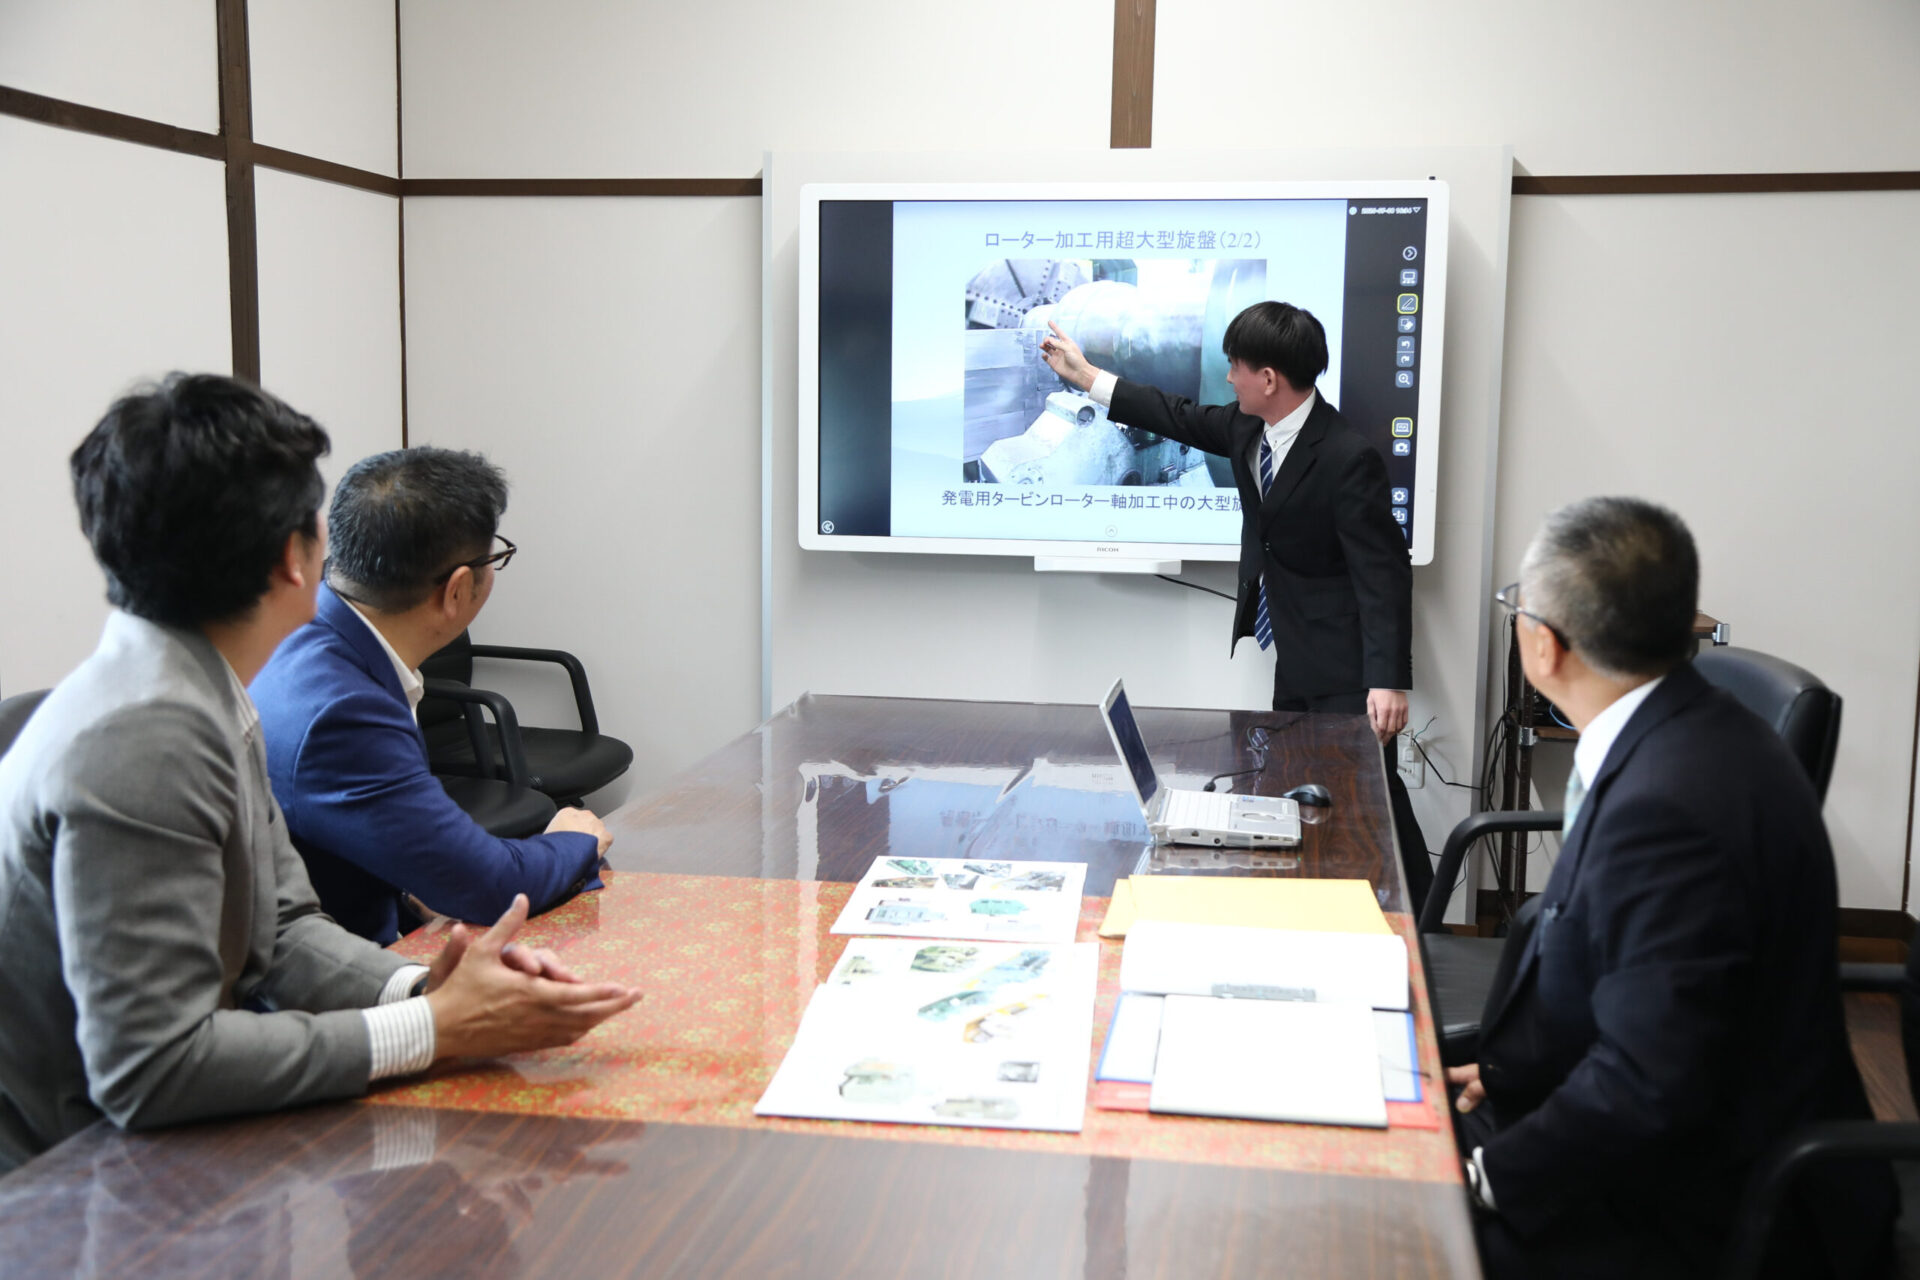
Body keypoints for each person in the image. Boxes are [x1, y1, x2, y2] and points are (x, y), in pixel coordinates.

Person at [0, 374, 641, 1173]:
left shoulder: (198, 685)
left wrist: (423, 988)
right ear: (292, 559)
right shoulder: (144, 739)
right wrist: (437, 1031)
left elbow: (282, 929)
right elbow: (151, 1070)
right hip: (81, 1185)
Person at [1446, 496, 1893, 1277]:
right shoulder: (1680, 729)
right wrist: (1516, 1069)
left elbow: (1650, 1085)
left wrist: (1485, 1181)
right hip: (1649, 1131)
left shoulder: (1672, 805)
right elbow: (1641, 983)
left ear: (1542, 644)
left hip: (1695, 1206)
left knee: (1356, 1224)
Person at [1040, 303, 1429, 904]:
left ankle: (1416, 917)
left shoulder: (1347, 456)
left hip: (1349, 665)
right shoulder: (1249, 428)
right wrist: (1089, 375)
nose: (1227, 378)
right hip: (1295, 653)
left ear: (1269, 379)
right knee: (1299, 787)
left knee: (1369, 797)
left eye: (1236, 367)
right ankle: (1315, 903)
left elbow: (1382, 573)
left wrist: (1387, 680)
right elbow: (1174, 414)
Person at [251, 447, 608, 945]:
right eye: (495, 558)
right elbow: (489, 886)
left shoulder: (306, 629)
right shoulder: (345, 711)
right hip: (341, 984)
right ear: (458, 589)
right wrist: (575, 840)